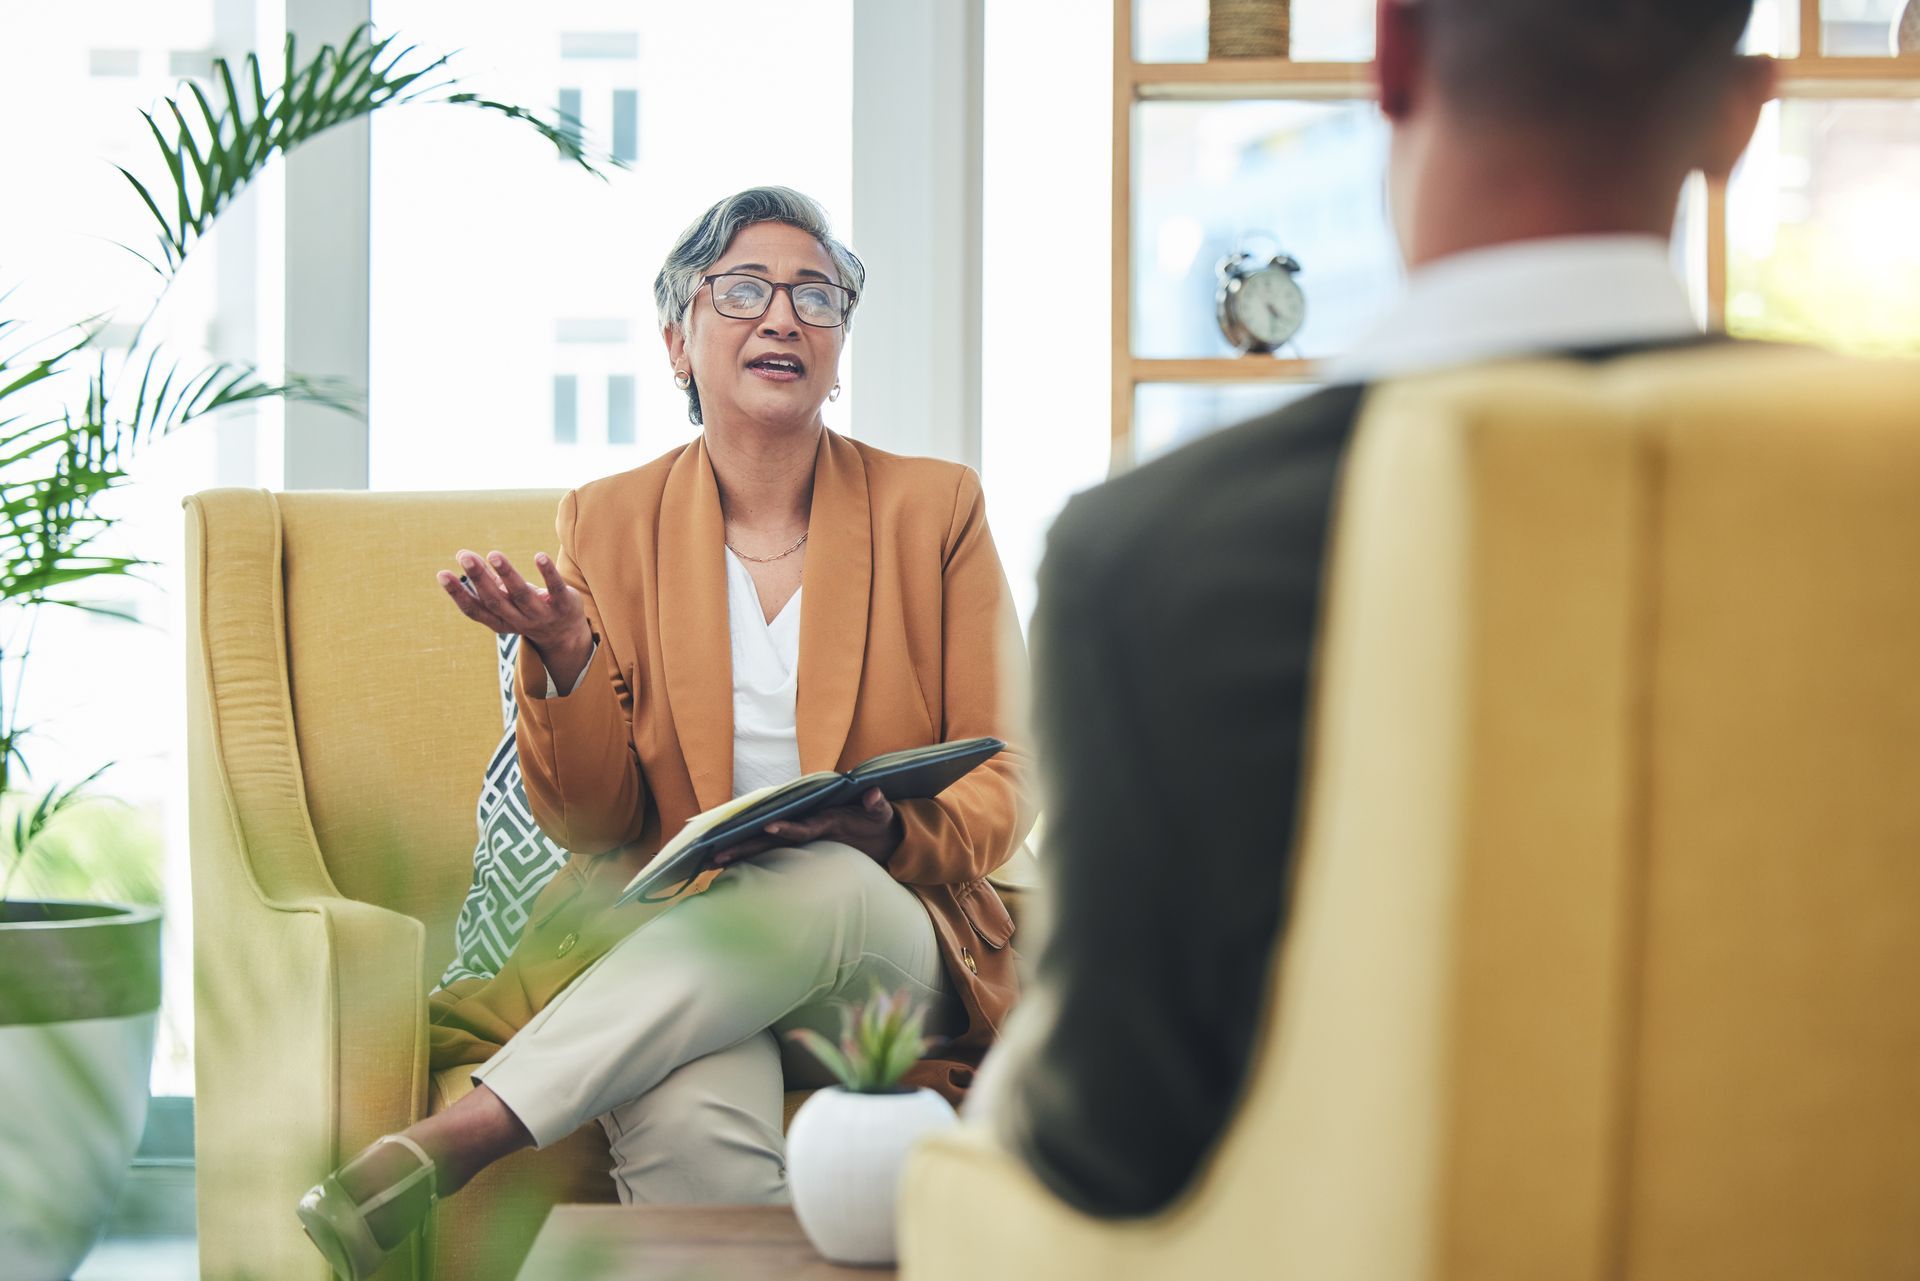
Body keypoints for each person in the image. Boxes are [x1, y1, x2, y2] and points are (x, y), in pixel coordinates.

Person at [974, 0, 1776, 1219]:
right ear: (1742, 113)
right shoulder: (1889, 497)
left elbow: (1113, 1145)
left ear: (1392, 58)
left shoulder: (1149, 557)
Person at [296, 186, 1035, 1280]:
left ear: (838, 346)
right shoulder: (607, 519)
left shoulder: (936, 509)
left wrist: (884, 836)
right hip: (692, 952)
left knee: (817, 880)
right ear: (678, 339)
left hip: (884, 941)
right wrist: (564, 661)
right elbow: (593, 819)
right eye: (743, 290)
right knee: (690, 1119)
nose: (782, 317)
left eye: (815, 296)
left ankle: (464, 1136)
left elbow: (1007, 777)